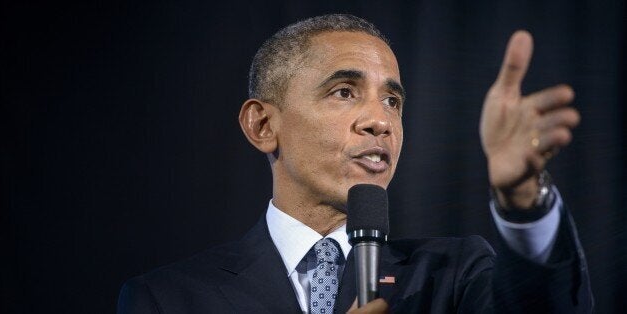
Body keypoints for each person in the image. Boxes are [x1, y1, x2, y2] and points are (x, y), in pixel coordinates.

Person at [117, 14, 592, 313]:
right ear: (262, 125)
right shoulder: (169, 298)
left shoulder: (454, 276)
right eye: (344, 92)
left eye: (392, 100)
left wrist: (523, 201)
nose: (379, 121)